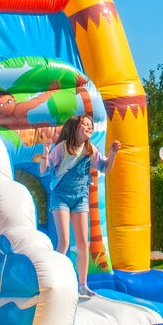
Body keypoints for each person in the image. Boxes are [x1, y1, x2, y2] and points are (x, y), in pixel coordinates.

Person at [39, 114, 121, 299]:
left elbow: (105, 169)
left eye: (90, 125)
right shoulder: (61, 149)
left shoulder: (90, 149)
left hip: (80, 198)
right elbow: (43, 170)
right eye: (85, 124)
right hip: (60, 196)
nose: (89, 127)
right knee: (64, 242)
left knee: (84, 243)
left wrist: (113, 152)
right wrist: (46, 153)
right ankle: (54, 282)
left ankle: (83, 286)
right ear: (75, 128)